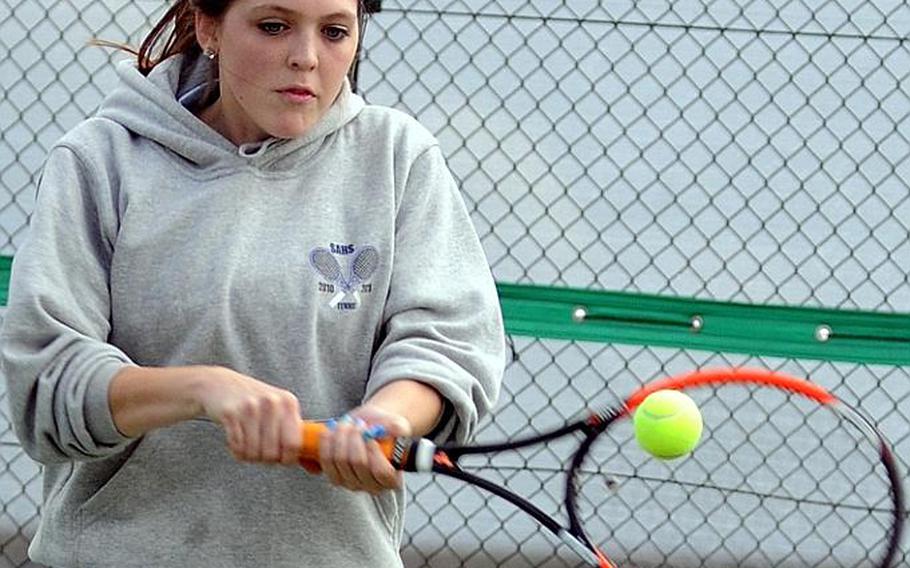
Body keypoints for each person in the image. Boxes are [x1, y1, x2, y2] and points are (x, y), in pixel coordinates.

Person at [0, 0, 505, 566]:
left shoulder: (397, 157)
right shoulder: (100, 159)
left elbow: (447, 344)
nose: (306, 58)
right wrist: (201, 391)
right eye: (274, 26)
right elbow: (47, 386)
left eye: (335, 32)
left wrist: (385, 417)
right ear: (207, 25)